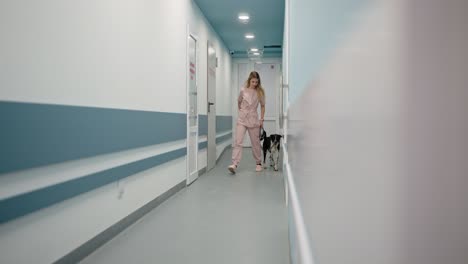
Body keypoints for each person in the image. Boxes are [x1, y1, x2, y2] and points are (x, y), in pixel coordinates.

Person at [228, 71, 265, 173]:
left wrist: (261, 119)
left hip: (253, 119)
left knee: (255, 142)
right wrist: (241, 111)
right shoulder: (243, 90)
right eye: (253, 81)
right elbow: (239, 101)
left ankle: (258, 163)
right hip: (242, 119)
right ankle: (234, 164)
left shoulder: (260, 92)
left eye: (256, 82)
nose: (254, 84)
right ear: (249, 80)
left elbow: (262, 106)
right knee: (238, 141)